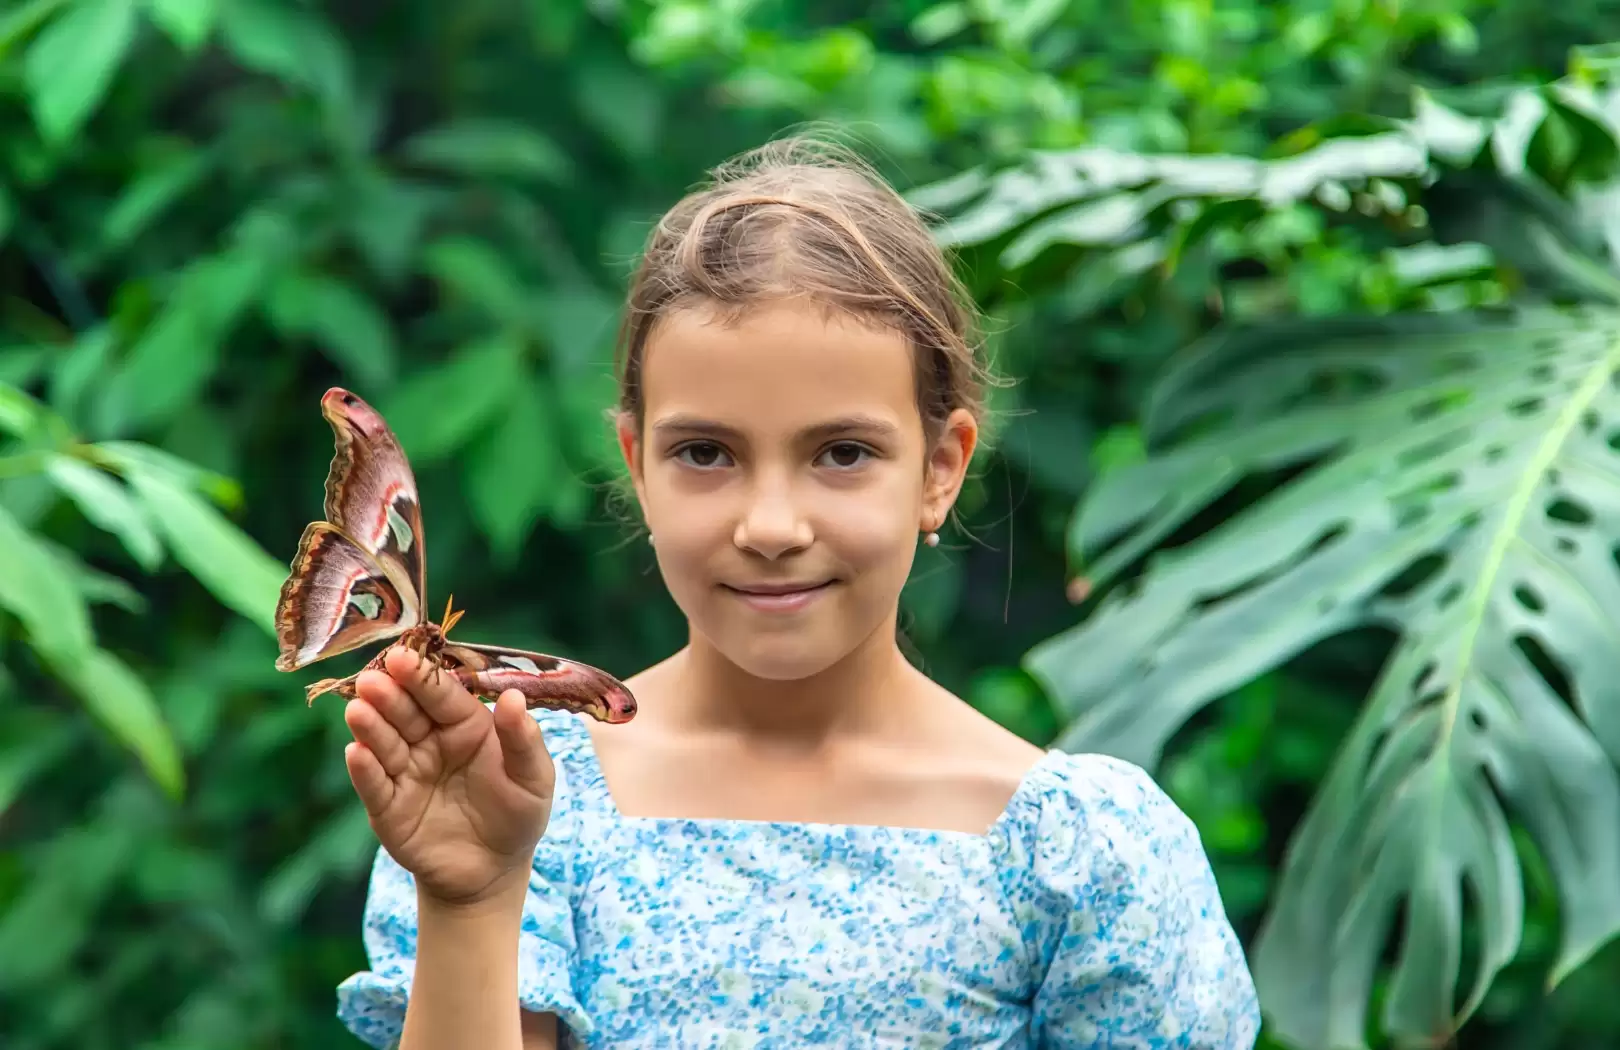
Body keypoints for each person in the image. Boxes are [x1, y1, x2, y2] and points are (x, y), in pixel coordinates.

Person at [331, 133, 1262, 1049]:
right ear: (637, 467)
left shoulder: (1081, 857)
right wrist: (472, 898)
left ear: (941, 469)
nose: (771, 525)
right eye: (706, 453)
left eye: (842, 454)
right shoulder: (526, 803)